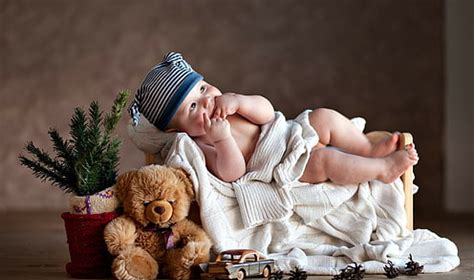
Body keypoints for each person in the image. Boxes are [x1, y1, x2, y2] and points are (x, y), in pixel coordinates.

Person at [129, 52, 418, 184]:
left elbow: (267, 112)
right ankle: (382, 169)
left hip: (289, 132)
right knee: (325, 162)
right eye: (192, 107)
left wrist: (240, 100)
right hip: (284, 166)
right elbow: (232, 173)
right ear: (173, 129)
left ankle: (367, 149)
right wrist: (224, 139)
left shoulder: (229, 103)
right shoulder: (199, 143)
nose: (206, 101)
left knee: (323, 117)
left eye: (202, 88)